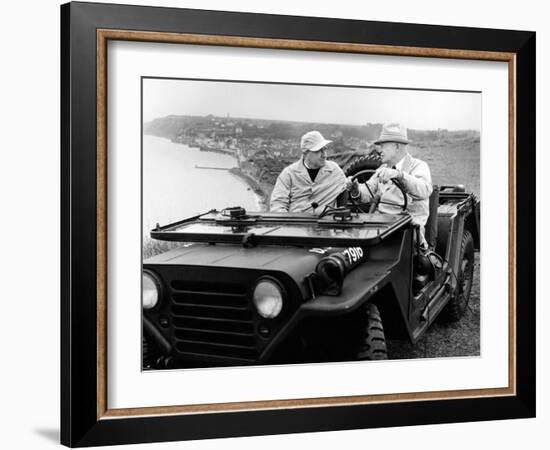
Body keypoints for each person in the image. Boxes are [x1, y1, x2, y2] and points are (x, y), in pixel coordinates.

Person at [347, 123, 433, 243]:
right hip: (380, 227)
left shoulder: (418, 166)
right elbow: (367, 192)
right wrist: (356, 190)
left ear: (397, 146)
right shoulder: (382, 169)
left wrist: (399, 175)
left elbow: (424, 190)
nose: (379, 150)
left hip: (408, 231)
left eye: (383, 146)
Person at [270, 130, 347, 213]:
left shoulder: (335, 171)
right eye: (318, 151)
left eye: (324, 150)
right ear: (305, 153)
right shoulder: (289, 174)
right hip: (296, 223)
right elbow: (277, 205)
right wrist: (288, 224)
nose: (324, 155)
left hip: (325, 223)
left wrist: (356, 191)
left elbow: (349, 190)